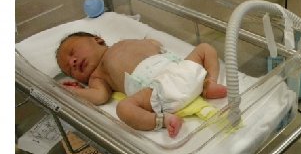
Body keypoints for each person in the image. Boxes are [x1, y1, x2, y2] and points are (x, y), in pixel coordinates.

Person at [56, 32, 227, 138]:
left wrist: (149, 42)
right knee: (123, 108)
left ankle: (209, 84)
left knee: (205, 48)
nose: (73, 62)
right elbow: (99, 96)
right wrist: (74, 91)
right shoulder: (97, 75)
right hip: (156, 90)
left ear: (97, 39)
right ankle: (163, 119)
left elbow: (155, 44)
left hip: (179, 70)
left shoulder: (124, 42)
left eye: (72, 52)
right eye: (70, 70)